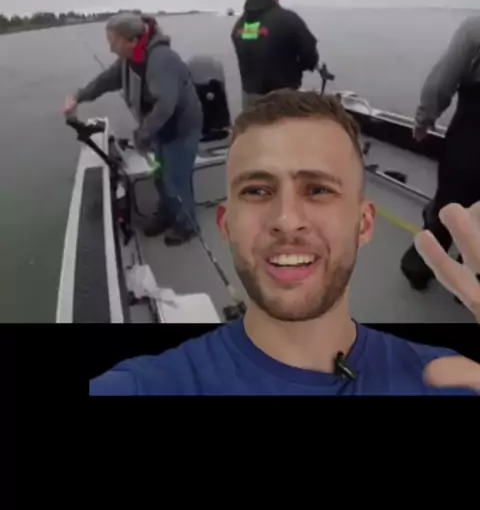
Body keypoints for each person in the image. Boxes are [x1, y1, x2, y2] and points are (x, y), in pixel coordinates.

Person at [90, 89, 479, 395]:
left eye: (318, 190)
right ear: (226, 225)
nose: (287, 221)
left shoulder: (455, 379)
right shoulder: (147, 385)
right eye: (257, 191)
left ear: (363, 224)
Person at [64, 12, 203, 246]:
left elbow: (165, 106)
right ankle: (167, 214)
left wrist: (143, 134)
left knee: (176, 178)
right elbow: (105, 81)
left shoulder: (161, 59)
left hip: (181, 128)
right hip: (159, 129)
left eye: (113, 42)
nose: (110, 49)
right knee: (160, 176)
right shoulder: (130, 59)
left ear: (131, 40)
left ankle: (187, 225)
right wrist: (78, 96)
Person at [400, 14, 480, 290]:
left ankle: (419, 268)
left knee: (449, 204)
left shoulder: (475, 28)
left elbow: (441, 81)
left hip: (472, 134)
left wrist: (424, 120)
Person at [231, 0, 319, 108]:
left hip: (250, 99)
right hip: (283, 100)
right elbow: (309, 54)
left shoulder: (239, 25)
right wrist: (302, 66)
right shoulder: (288, 19)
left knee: (254, 122)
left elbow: (254, 48)